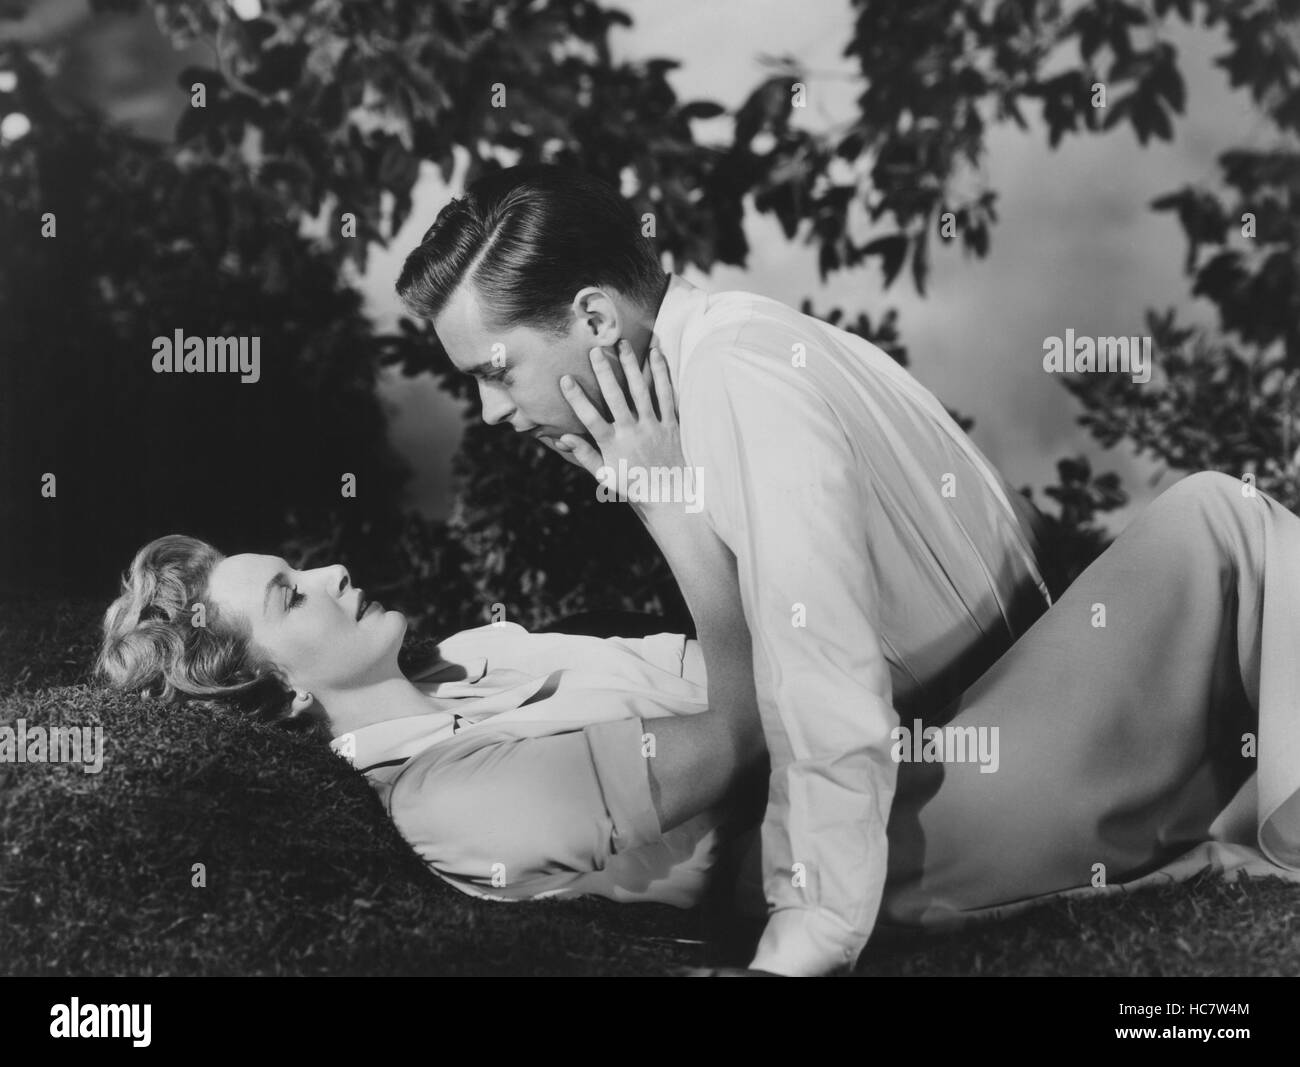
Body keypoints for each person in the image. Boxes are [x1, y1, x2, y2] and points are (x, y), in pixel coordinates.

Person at [98, 350, 1300, 976]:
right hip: (905, 833)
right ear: (285, 687)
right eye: (288, 593)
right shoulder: (452, 799)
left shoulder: (473, 658)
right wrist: (669, 504)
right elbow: (739, 728)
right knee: (1216, 517)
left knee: (1209, 539)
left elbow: (709, 650)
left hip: (898, 751)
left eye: (293, 561)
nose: (324, 571)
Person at [395, 163, 1055, 974]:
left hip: (1000, 750)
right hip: (992, 717)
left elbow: (823, 672)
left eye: (496, 371)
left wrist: (806, 931)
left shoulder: (735, 379)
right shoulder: (731, 342)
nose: (493, 411)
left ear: (596, 315)